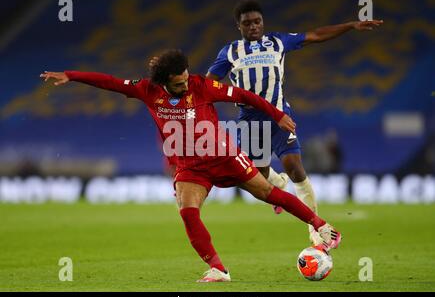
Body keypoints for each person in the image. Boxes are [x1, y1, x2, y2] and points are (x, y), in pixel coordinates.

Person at [40, 49, 341, 283]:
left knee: (268, 193)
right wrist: (71, 75)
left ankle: (323, 227)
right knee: (187, 211)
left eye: (185, 78)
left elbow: (242, 95)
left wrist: (276, 114)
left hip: (223, 155)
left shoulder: (201, 85)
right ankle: (218, 269)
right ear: (163, 83)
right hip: (190, 167)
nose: (185, 84)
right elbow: (111, 83)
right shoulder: (147, 91)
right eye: (178, 82)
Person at [205, 0, 383, 245]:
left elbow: (316, 35)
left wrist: (351, 25)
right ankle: (278, 182)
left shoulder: (278, 42)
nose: (254, 27)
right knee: (259, 178)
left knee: (295, 168)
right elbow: (208, 83)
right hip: (249, 121)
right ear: (239, 26)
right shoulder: (229, 52)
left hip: (279, 116)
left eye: (257, 22)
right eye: (247, 23)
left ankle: (315, 229)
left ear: (263, 22)